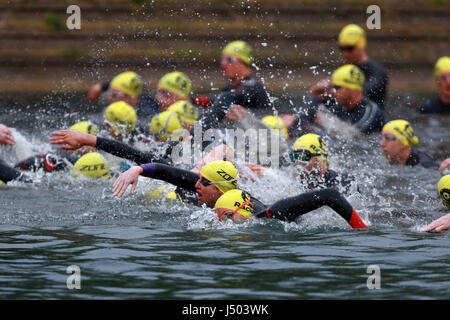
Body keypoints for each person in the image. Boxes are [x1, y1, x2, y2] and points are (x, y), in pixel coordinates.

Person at [111, 160, 368, 228]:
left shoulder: (270, 216)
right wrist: (138, 170)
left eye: (203, 182)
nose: (195, 185)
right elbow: (170, 173)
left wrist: (363, 230)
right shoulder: (210, 189)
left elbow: (331, 195)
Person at [309, 24, 388, 109]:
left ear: (361, 44)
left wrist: (331, 90)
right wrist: (319, 93)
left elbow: (359, 93)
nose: (345, 53)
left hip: (369, 119)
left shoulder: (376, 71)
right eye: (342, 49)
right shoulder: (344, 70)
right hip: (350, 118)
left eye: (350, 48)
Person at [200, 40, 272, 131]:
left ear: (243, 63)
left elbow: (230, 97)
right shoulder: (228, 88)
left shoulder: (255, 87)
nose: (223, 63)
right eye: (222, 59)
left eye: (229, 59)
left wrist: (195, 99)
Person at [301, 64, 385, 135]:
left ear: (352, 88)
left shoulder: (371, 110)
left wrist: (323, 122)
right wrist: (315, 96)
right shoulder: (338, 106)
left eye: (337, 87)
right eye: (331, 87)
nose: (332, 91)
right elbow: (303, 118)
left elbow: (354, 134)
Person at [287, 133, 353, 192]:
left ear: (319, 159)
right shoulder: (293, 187)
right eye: (292, 157)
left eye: (302, 156)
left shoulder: (343, 183)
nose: (296, 162)